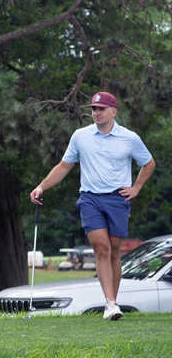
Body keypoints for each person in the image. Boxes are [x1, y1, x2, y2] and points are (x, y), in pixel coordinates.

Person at [29, 92, 156, 321]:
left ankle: (113, 302)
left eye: (101, 109)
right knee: (102, 249)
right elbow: (64, 166)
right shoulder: (80, 136)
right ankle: (110, 303)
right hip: (90, 199)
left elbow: (148, 163)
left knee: (114, 251)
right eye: (94, 109)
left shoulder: (129, 138)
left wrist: (136, 187)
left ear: (114, 112)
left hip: (118, 199)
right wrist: (41, 186)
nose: (96, 113)